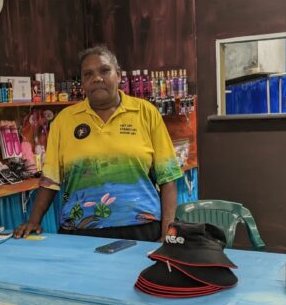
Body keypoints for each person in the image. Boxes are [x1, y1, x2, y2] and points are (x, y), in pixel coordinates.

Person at [13, 45, 183, 242]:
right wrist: (34, 220)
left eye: (104, 70)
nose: (97, 78)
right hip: (80, 231)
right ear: (83, 82)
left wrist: (167, 234)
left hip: (142, 228)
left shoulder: (146, 113)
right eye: (88, 74)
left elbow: (167, 178)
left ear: (118, 75)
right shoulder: (64, 120)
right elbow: (50, 179)